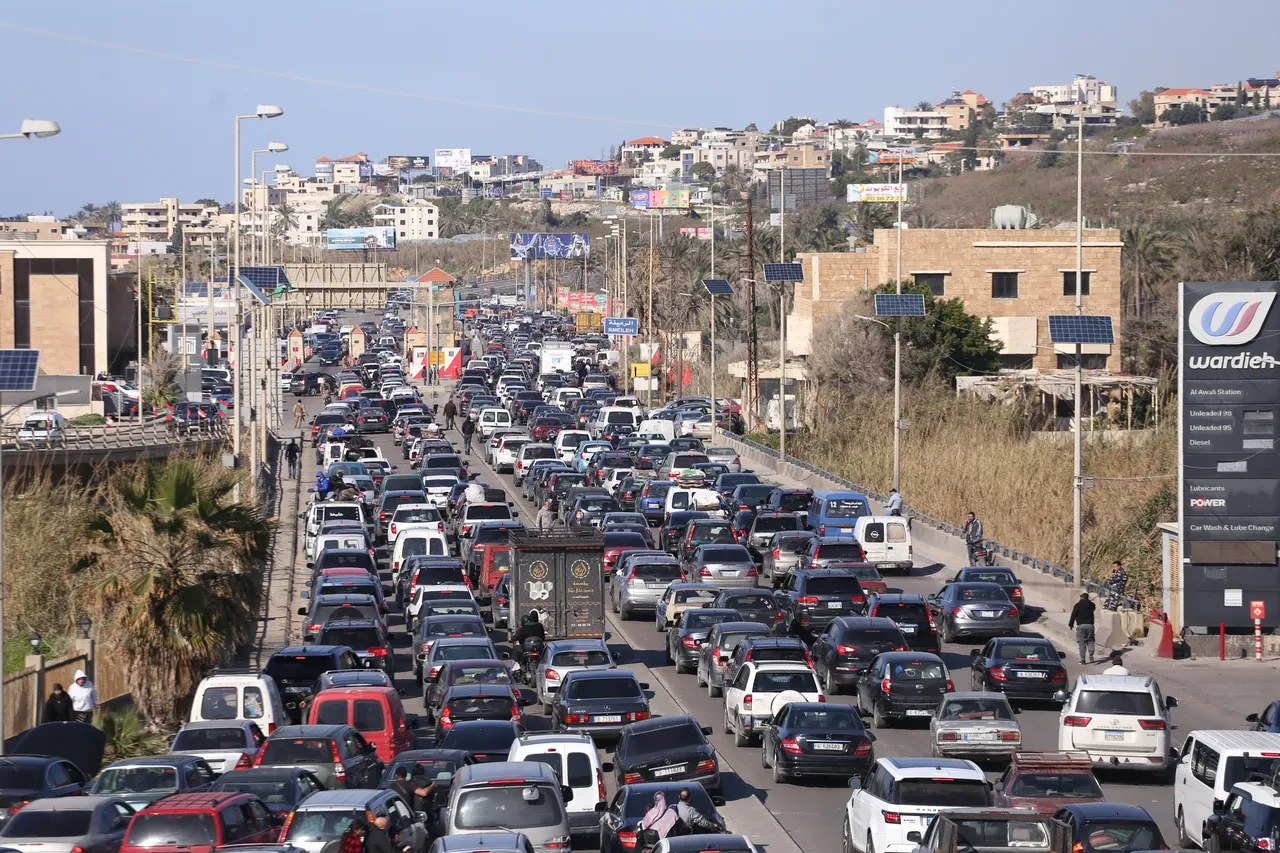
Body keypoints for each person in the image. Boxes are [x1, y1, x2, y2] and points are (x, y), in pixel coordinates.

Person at [1068, 592, 1097, 665]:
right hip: (1090, 625)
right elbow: (1093, 607)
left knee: (1081, 642)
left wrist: (1071, 625)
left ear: (1081, 597)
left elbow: (1073, 615)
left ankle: (1083, 659)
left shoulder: (1077, 605)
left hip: (1081, 626)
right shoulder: (1091, 605)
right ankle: (1091, 654)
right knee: (1090, 640)